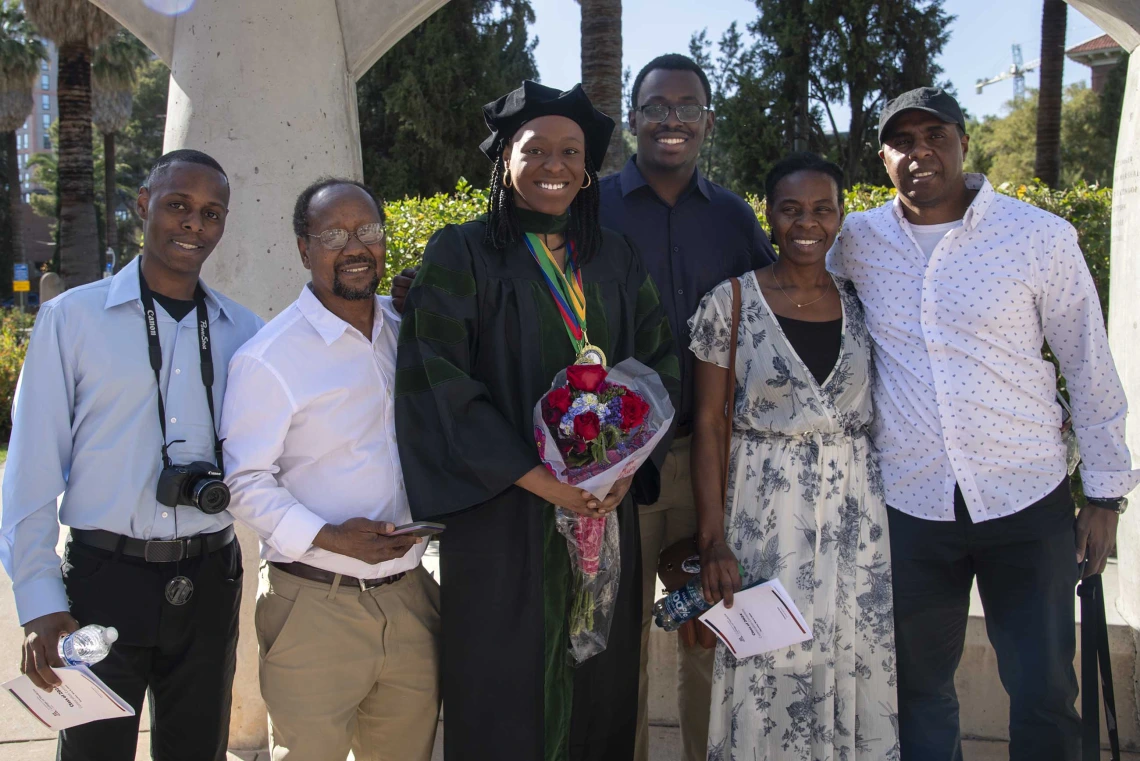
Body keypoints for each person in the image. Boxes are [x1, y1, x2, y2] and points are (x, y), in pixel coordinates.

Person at [828, 87, 1140, 761]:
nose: (920, 152)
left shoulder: (1037, 237)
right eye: (902, 141)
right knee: (916, 692)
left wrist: (1107, 496)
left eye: (935, 135)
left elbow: (1088, 361)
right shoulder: (855, 243)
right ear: (883, 157)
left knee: (1044, 690)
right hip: (910, 510)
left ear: (964, 143)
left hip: (1027, 503)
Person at [394, 80, 679, 761]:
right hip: (503, 513)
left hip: (603, 511)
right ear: (505, 159)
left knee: (601, 686)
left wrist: (622, 470)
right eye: (537, 148)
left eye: (571, 152)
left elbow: (659, 359)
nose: (555, 165)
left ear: (587, 169)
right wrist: (540, 480)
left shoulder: (615, 256)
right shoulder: (461, 253)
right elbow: (440, 380)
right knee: (503, 686)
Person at [0, 150, 263, 761]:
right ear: (143, 205)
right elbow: (31, 471)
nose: (194, 224)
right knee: (92, 753)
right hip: (100, 582)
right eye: (178, 206)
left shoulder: (243, 331)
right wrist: (40, 605)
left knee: (197, 751)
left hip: (209, 580)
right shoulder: (72, 320)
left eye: (211, 213)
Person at [219, 178, 440, 761]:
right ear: (303, 248)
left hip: (411, 598)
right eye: (334, 234)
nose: (355, 247)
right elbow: (243, 483)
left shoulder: (409, 331)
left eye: (368, 231)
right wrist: (328, 537)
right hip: (314, 608)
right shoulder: (269, 358)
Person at [598, 53, 777, 761]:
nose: (671, 118)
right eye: (657, 105)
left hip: (713, 461)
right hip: (616, 467)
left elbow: (774, 315)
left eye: (686, 105)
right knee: (617, 640)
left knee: (713, 626)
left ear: (707, 118)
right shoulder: (593, 207)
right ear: (633, 115)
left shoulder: (733, 217)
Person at [690, 152, 898, 760]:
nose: (807, 222)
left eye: (822, 209)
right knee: (767, 664)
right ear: (769, 216)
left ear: (840, 216)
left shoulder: (865, 300)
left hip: (858, 519)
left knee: (852, 656)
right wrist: (712, 540)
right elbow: (707, 424)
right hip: (763, 511)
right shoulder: (728, 303)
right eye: (790, 209)